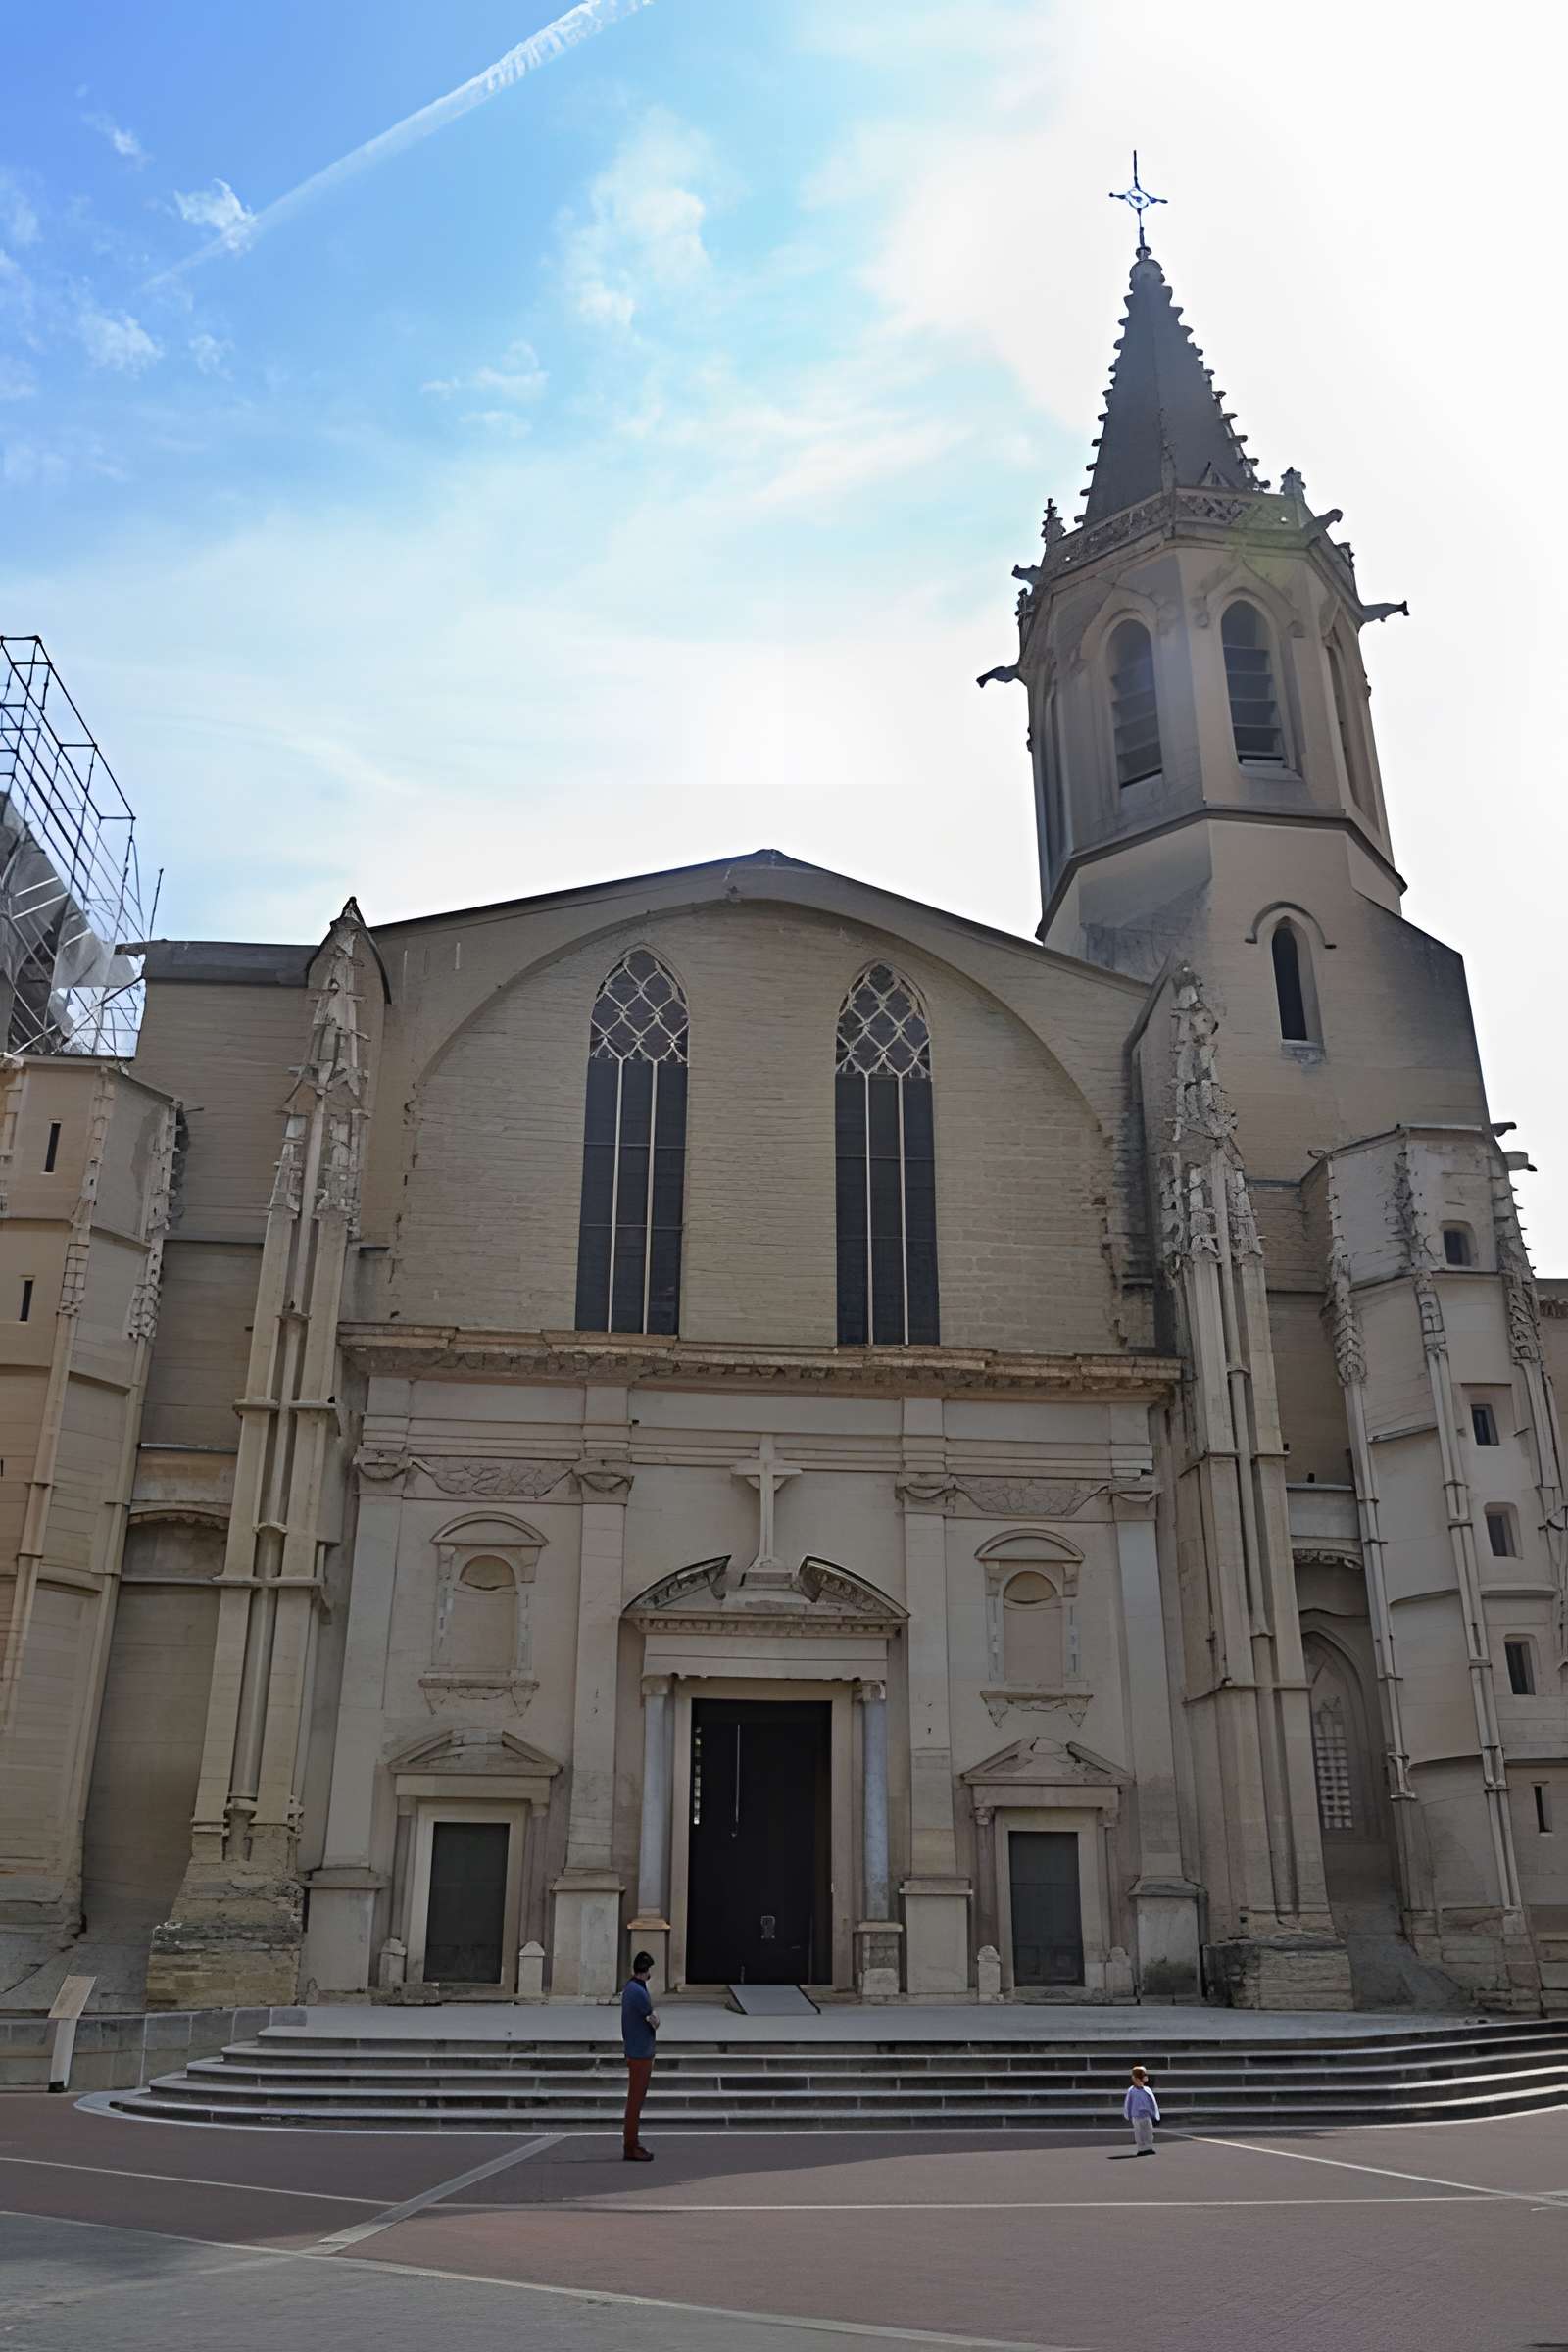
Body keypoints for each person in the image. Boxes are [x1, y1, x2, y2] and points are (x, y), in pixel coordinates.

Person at [620, 1949, 660, 2161]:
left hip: (636, 2049)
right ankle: (631, 2145)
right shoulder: (638, 1992)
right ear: (645, 1970)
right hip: (640, 2051)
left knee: (635, 2100)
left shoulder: (631, 1988)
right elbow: (652, 2018)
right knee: (635, 2100)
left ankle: (631, 2143)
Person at [1123, 2064, 1159, 2155]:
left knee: (1149, 2132)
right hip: (1136, 2116)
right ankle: (1141, 2148)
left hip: (1146, 2115)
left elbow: (1152, 2102)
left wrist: (1154, 2113)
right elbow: (1128, 2103)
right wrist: (1127, 2113)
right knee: (1139, 2133)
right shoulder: (1131, 2091)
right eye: (1143, 2075)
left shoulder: (1147, 2090)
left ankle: (1149, 2147)